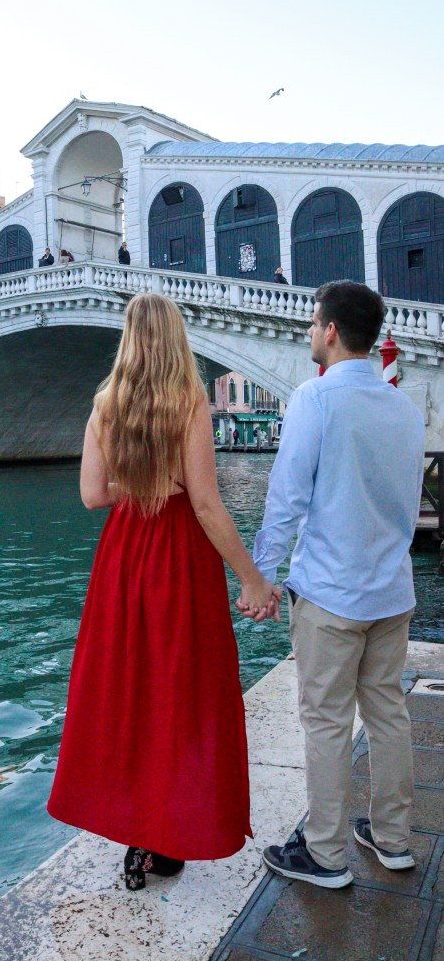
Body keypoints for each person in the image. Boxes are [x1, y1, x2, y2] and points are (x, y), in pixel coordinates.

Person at [48, 292, 280, 889]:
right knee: (182, 692)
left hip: (125, 556)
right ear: (177, 338)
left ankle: (138, 836)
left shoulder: (105, 405)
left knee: (129, 691)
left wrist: (137, 478)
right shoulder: (190, 401)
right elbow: (204, 503)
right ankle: (170, 830)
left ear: (127, 338)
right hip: (178, 557)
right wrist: (251, 577)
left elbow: (94, 497)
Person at [245, 281, 425, 889]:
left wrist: (261, 575)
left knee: (324, 720)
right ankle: (394, 839)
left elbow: (287, 497)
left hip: (331, 594)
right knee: (388, 713)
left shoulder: (314, 399)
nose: (308, 331)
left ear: (329, 330)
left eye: (313, 322)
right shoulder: (404, 405)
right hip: (391, 591)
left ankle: (323, 854)